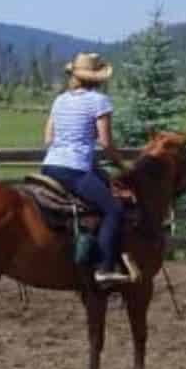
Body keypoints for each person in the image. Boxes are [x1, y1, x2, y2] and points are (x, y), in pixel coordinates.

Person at [42, 52, 135, 286]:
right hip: (76, 169)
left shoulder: (60, 100)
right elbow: (105, 143)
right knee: (113, 209)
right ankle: (104, 268)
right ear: (97, 78)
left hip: (50, 166)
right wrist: (123, 165)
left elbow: (48, 138)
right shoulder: (99, 101)